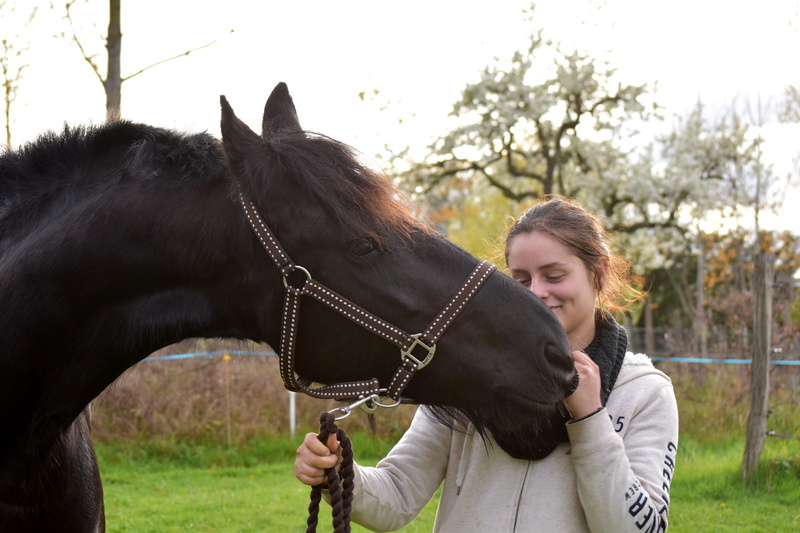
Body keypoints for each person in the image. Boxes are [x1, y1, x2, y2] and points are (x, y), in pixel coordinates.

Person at [294, 196, 679, 532]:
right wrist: (340, 474)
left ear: (599, 273)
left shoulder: (645, 392)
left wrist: (591, 420)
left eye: (554, 275)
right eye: (521, 280)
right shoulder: (469, 376)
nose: (536, 294)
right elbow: (398, 494)